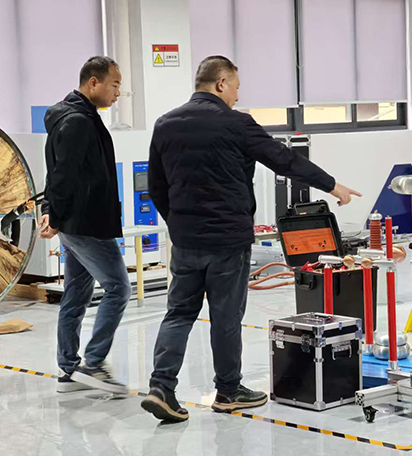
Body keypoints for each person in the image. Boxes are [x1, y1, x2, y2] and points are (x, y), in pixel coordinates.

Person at [140, 55, 361, 422]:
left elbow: (156, 187)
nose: (237, 97)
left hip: (186, 240)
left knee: (178, 313)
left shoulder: (166, 124)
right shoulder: (236, 123)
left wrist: (178, 225)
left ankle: (161, 386)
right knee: (225, 317)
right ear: (221, 83)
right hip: (227, 241)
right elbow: (284, 160)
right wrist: (332, 185)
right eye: (236, 88)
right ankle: (228, 391)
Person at [39, 56, 131, 394]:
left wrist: (52, 211)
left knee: (77, 294)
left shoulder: (75, 116)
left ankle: (68, 370)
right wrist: (55, 215)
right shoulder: (78, 121)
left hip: (77, 222)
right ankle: (93, 363)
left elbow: (56, 170)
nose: (118, 92)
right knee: (119, 287)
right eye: (115, 84)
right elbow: (63, 174)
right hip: (86, 223)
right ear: (93, 83)